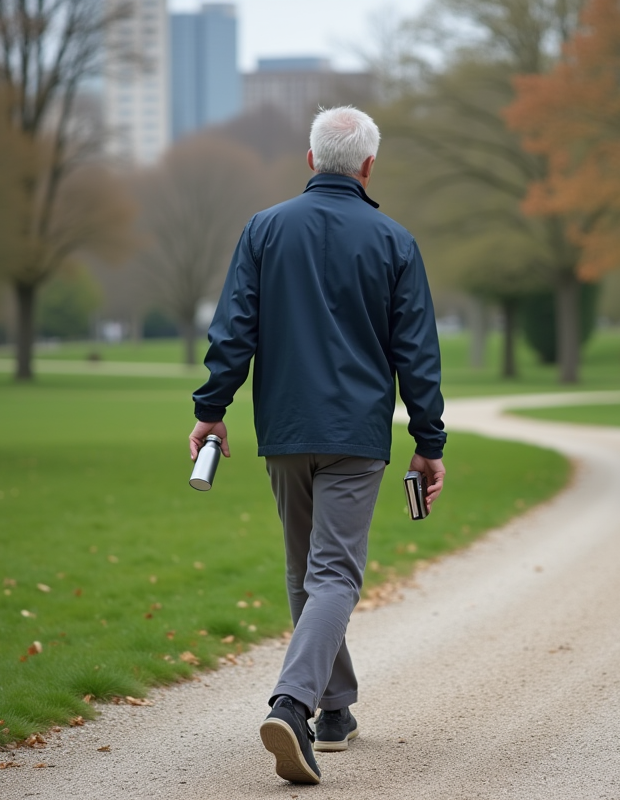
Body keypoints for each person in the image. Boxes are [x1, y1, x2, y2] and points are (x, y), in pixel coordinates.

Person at [188, 106, 447, 786]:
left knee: (308, 570)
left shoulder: (264, 230)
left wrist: (212, 411)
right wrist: (429, 442)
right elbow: (416, 353)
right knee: (333, 575)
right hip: (356, 436)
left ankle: (335, 711)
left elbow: (233, 329)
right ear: (367, 166)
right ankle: (292, 704)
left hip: (286, 432)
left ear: (311, 160)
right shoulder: (395, 241)